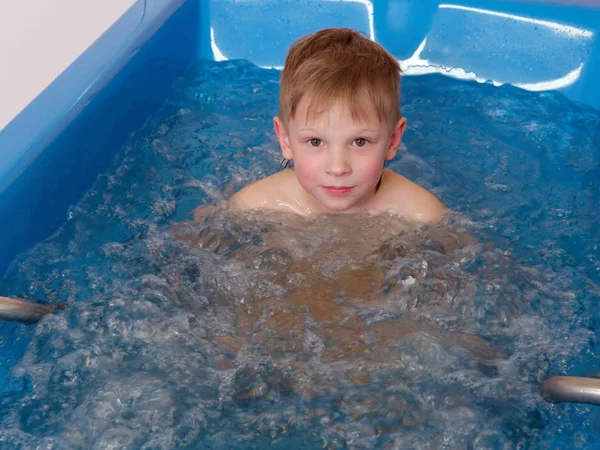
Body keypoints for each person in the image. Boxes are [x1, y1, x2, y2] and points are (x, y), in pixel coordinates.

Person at [222, 28, 445, 223]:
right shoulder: (253, 205)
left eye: (359, 142)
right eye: (315, 141)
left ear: (393, 140)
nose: (338, 168)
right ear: (285, 140)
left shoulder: (423, 214)